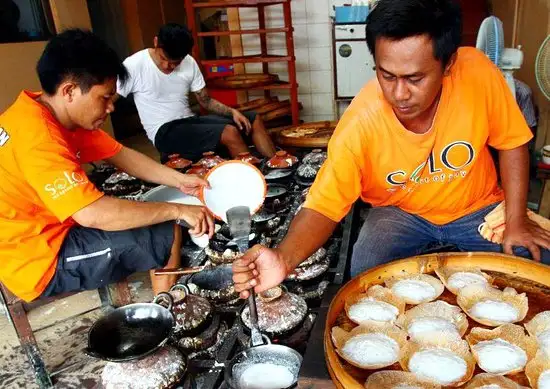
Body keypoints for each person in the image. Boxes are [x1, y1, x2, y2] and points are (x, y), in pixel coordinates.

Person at [232, 0, 550, 298]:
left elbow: (513, 143)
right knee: (366, 277)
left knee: (538, 260)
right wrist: (284, 259)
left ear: (448, 63)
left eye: (415, 78)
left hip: (476, 208)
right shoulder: (360, 122)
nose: (399, 93)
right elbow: (324, 206)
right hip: (400, 214)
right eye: (387, 76)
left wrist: (517, 219)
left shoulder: (476, 73)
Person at [0, 29, 214, 302]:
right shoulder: (40, 138)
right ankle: (165, 313)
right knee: (166, 231)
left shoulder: (46, 111)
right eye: (104, 97)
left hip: (42, 228)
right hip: (37, 257)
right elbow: (93, 214)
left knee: (142, 211)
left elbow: (120, 153)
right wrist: (177, 209)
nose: (111, 107)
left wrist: (179, 181)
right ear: (70, 91)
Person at [116, 23, 277, 162]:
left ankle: (278, 166)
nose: (167, 66)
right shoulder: (134, 64)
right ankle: (254, 184)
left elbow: (205, 101)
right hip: (163, 131)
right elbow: (110, 96)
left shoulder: (189, 62)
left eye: (175, 63)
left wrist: (232, 112)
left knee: (253, 119)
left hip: (189, 121)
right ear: (156, 41)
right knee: (229, 132)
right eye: (163, 58)